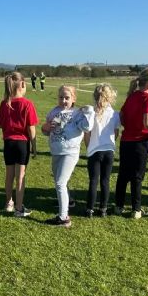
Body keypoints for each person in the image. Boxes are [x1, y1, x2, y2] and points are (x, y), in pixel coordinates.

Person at [42, 85, 94, 227]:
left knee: (60, 183)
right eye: (61, 97)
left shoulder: (77, 114)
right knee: (59, 180)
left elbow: (87, 127)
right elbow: (46, 130)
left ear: (73, 98)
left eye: (67, 98)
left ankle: (64, 217)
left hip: (70, 153)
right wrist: (45, 127)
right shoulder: (54, 112)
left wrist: (89, 111)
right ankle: (69, 201)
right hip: (56, 151)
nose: (64, 101)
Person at [114, 67, 148, 219]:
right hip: (140, 142)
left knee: (123, 175)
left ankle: (118, 206)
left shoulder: (132, 96)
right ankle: (136, 209)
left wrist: (128, 127)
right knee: (137, 176)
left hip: (126, 141)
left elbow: (121, 115)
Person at [0, 71, 38, 217]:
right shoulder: (27, 104)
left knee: (9, 175)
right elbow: (31, 128)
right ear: (23, 84)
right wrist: (34, 146)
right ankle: (19, 208)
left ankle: (9, 203)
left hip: (8, 143)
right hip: (22, 144)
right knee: (20, 177)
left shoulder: (4, 103)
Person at [84, 84, 120, 217]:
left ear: (95, 96)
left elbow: (87, 134)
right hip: (109, 150)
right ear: (110, 97)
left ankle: (90, 209)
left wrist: (89, 147)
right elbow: (116, 133)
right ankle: (103, 208)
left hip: (94, 150)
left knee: (93, 181)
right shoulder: (114, 114)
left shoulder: (91, 113)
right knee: (105, 181)